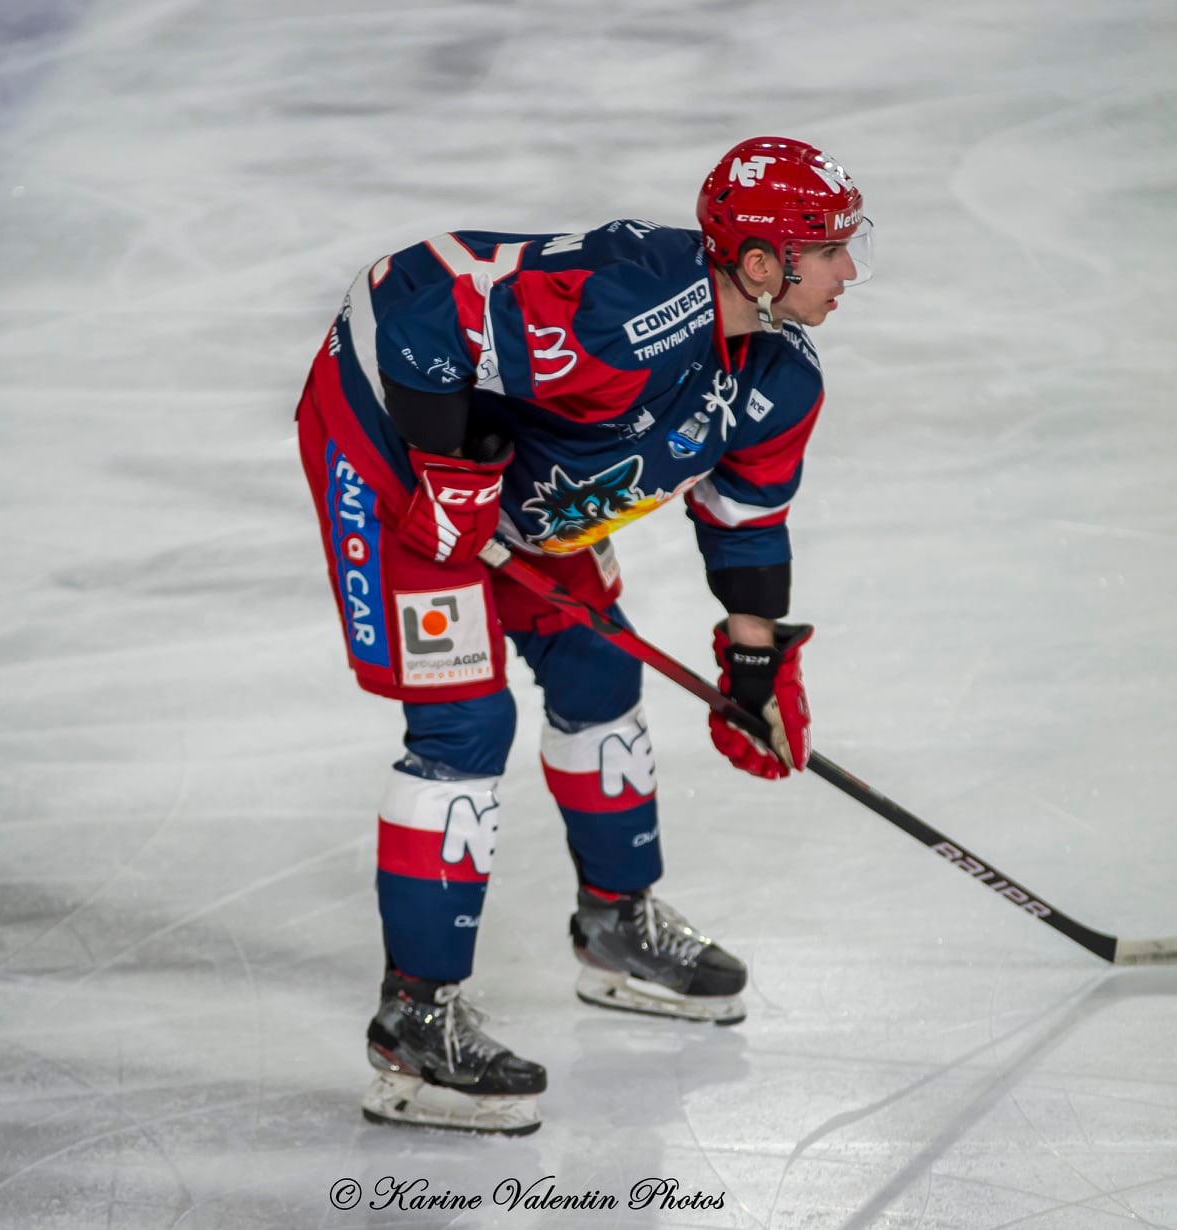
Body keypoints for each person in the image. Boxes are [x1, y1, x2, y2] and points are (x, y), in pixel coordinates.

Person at [294, 136, 872, 1135]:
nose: (849, 272)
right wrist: (443, 466)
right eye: (829, 250)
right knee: (465, 725)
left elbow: (747, 521)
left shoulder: (781, 377)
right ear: (764, 264)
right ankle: (414, 1023)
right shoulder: (622, 312)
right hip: (396, 460)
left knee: (600, 668)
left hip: (518, 484)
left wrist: (753, 659)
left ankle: (616, 926)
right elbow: (409, 300)